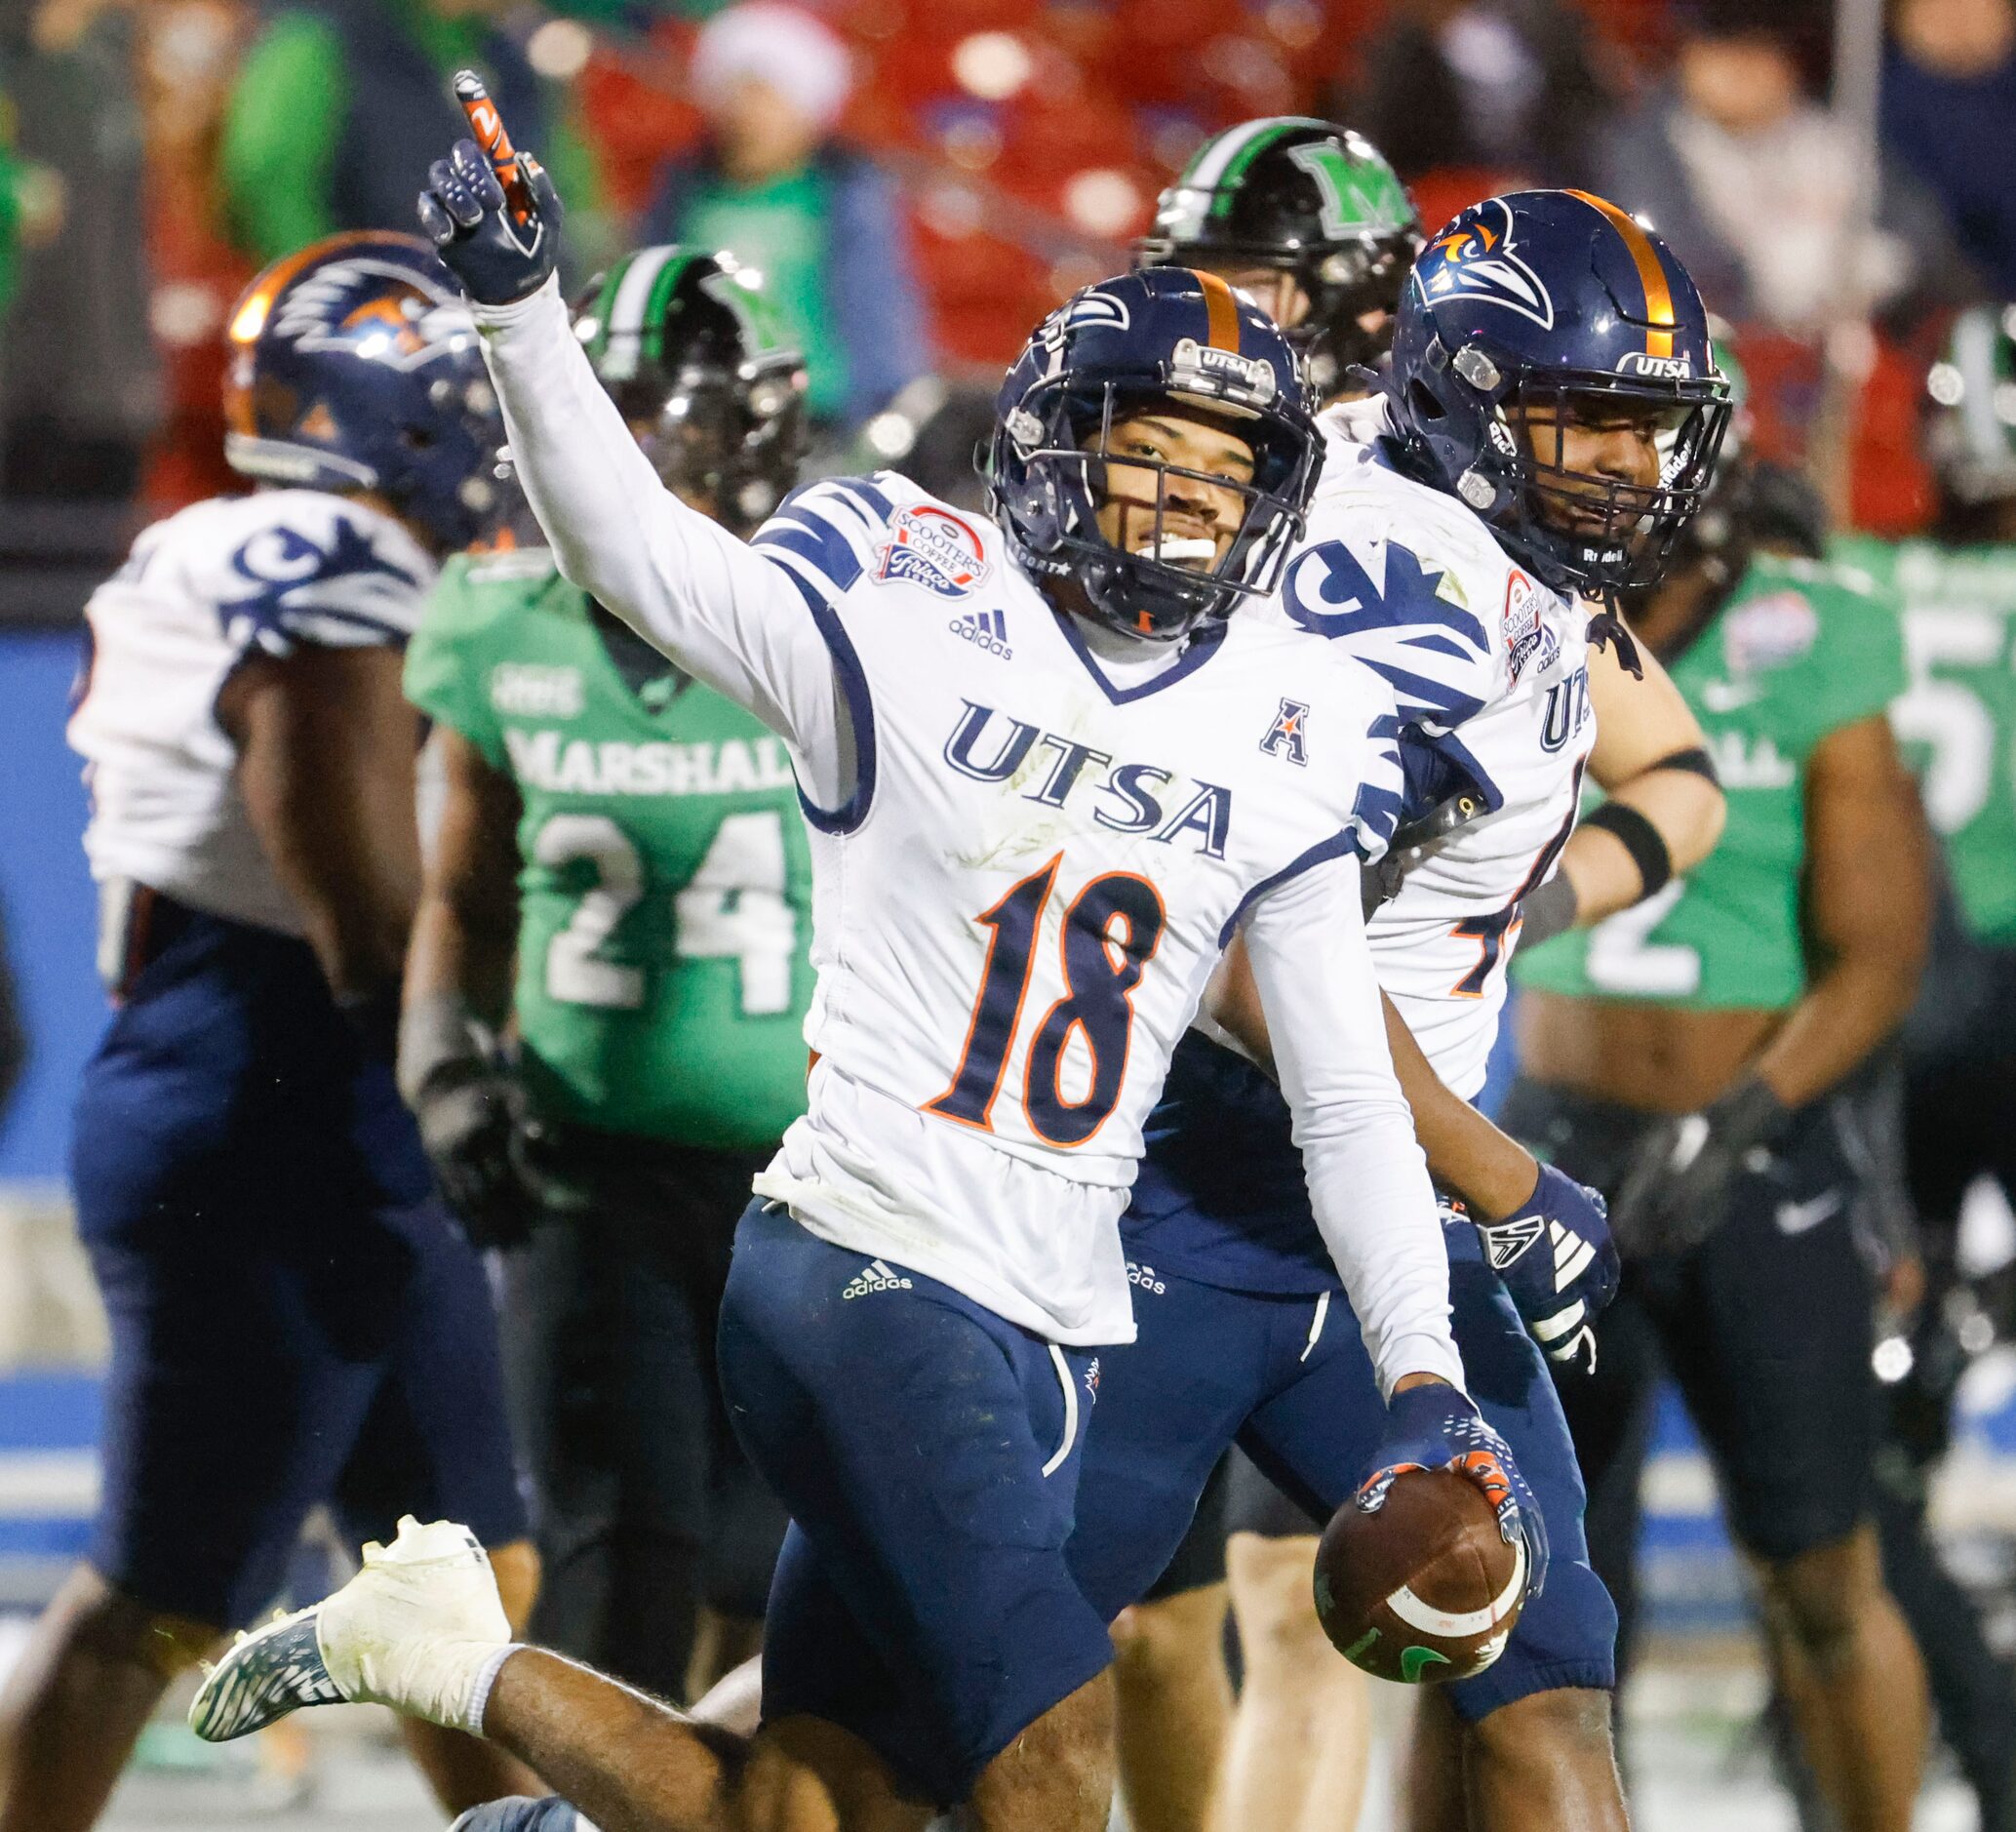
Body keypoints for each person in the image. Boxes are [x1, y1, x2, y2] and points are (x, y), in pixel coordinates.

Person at [186, 106, 1550, 1832]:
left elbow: (1343, 1089)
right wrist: (522, 312)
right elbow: (634, 549)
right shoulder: (914, 605)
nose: (1184, 502)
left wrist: (1420, 1370)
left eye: (1225, 471)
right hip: (860, 1261)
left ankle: (459, 1667)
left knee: (811, 1806)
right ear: (1056, 445)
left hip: (1065, 1300)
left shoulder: (1287, 719)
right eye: (1150, 450)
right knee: (1054, 1743)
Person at [1070, 148, 1734, 1832]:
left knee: (1543, 1670)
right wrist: (1507, 1174)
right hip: (1197, 1194)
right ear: (1469, 398)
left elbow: (1681, 780)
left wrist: (1501, 937)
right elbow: (1245, 954)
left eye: (1646, 422)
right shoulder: (1421, 605)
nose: (1627, 463)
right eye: (1585, 417)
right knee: (922, 1682)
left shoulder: (1429, 494)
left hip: (1390, 1216)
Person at [0, 231, 537, 1832]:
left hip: (276, 1087)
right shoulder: (327, 566)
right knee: (153, 1601)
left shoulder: (215, 540)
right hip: (286, 1098)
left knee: (467, 1587)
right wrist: (449, 1054)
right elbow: (358, 889)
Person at [1508, 416, 1936, 1832]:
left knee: (1816, 1573)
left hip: (1753, 1151)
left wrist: (1741, 1115)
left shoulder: (1811, 630)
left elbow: (1877, 952)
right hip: (1547, 1148)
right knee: (1503, 1595)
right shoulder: (1513, 605)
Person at [400, 243, 810, 1705]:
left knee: (791, 1582)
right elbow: (459, 889)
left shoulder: (830, 615)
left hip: (811, 1180)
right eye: (605, 424)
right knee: (615, 1562)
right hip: (590, 1162)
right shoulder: (500, 621)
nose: (629, 468)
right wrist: (443, 1066)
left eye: (669, 430)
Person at [1836, 300, 2016, 1832]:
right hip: (1995, 983)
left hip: (1887, 1002)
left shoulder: (1854, 575)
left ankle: (1858, 1710)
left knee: (1872, 1408)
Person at [641, 1, 930, 432]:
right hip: (702, 420)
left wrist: (887, 416)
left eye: (768, 95)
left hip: (822, 423)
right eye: (736, 93)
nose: (748, 115)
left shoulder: (846, 196)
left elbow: (880, 315)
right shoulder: (683, 191)